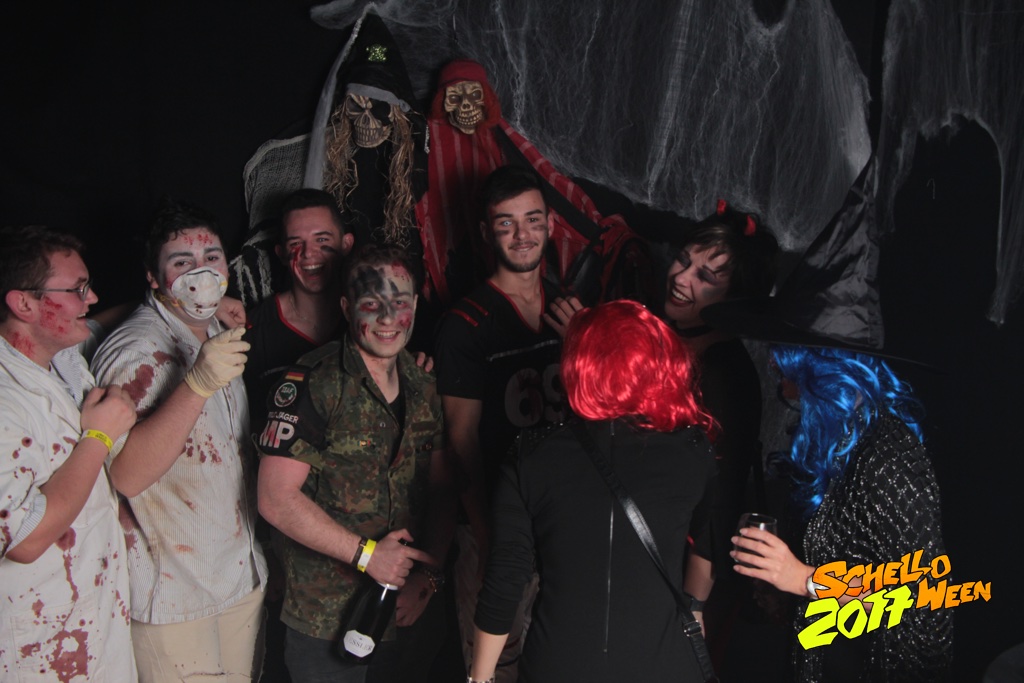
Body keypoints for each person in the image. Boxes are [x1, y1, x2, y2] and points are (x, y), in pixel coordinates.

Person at [468, 300, 718, 682]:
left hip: (560, 664)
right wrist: (695, 607)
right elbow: (707, 544)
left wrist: (479, 678)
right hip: (664, 661)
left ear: (576, 365)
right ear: (658, 363)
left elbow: (505, 579)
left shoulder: (531, 454)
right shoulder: (693, 449)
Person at [256, 244, 452, 683]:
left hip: (410, 613)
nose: (388, 317)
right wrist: (367, 556)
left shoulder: (424, 384)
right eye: (371, 303)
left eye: (399, 302)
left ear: (415, 305)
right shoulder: (314, 382)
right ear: (347, 307)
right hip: (326, 620)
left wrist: (428, 579)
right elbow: (274, 498)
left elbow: (443, 490)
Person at [90, 200, 267, 682]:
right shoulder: (135, 351)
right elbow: (126, 476)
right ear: (153, 277)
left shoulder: (215, 329)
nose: (201, 273)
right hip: (174, 593)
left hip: (237, 572)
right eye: (182, 262)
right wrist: (197, 385)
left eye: (211, 257)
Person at [728, 345, 952, 681]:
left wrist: (805, 580)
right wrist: (784, 587)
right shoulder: (842, 438)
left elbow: (922, 594)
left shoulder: (887, 455)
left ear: (823, 373)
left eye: (792, 374)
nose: (784, 387)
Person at [433, 164, 568, 682]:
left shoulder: (569, 309)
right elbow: (460, 439)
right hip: (497, 522)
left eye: (532, 219)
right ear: (487, 232)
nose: (522, 234)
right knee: (495, 665)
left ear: (551, 224)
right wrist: (488, 537)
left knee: (559, 656)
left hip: (560, 518)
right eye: (506, 223)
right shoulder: (466, 324)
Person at [0, 225, 138, 681]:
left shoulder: (63, 361)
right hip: (36, 644)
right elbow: (23, 539)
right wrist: (98, 437)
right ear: (24, 304)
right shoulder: (5, 399)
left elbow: (95, 324)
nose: (91, 297)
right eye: (77, 289)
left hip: (93, 621)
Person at [659, 200, 780, 661]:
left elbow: (718, 505)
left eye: (705, 276)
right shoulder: (656, 335)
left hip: (676, 567)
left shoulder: (728, 377)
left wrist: (692, 609)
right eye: (682, 260)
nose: (681, 277)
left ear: (734, 300)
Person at [244, 188, 354, 436]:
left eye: (322, 240)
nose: (308, 253)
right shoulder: (252, 331)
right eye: (295, 243)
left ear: (346, 244)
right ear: (282, 254)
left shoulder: (373, 321)